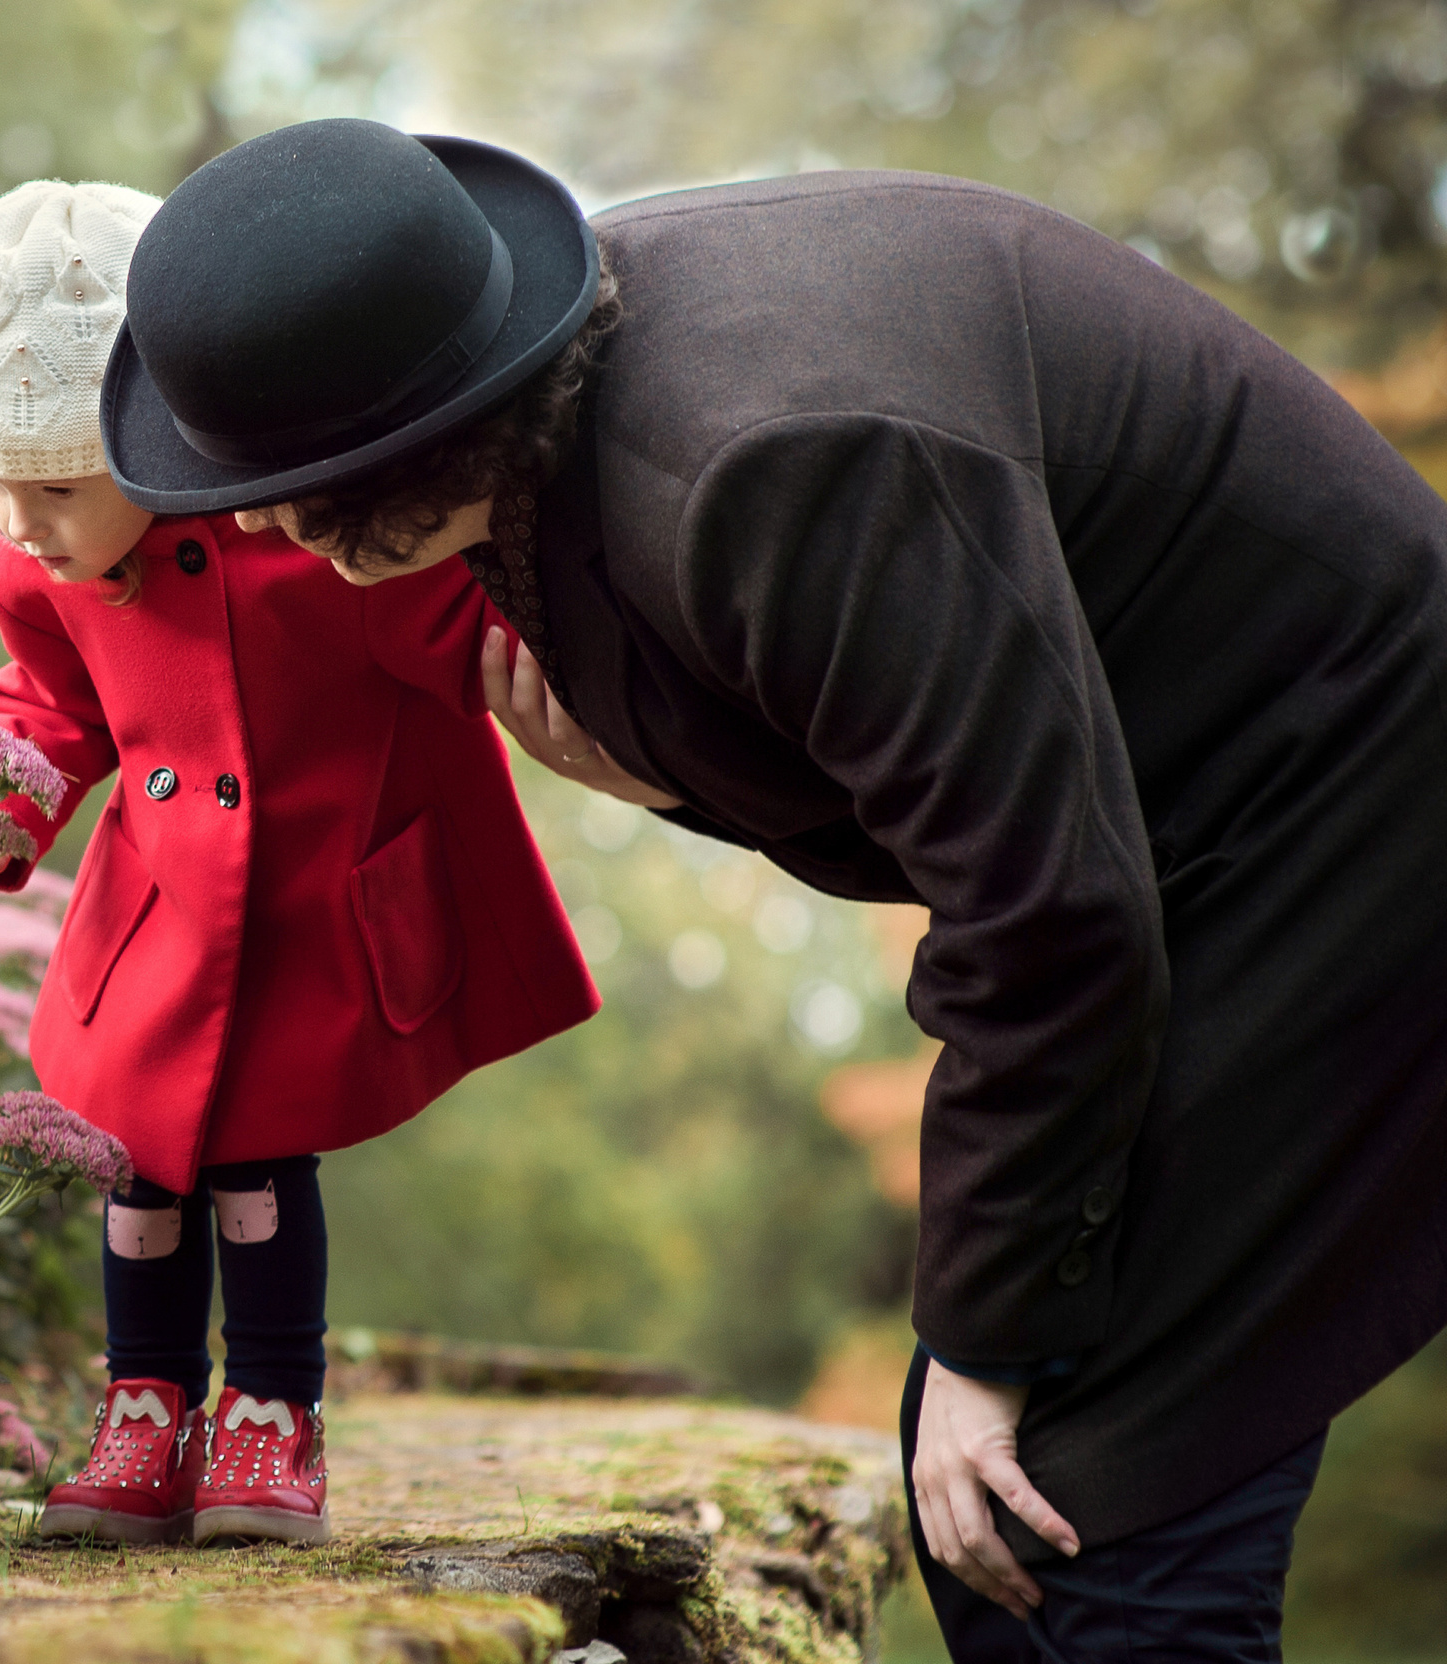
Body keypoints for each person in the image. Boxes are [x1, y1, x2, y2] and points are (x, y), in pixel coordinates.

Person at [97, 118, 1447, 1651]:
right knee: (999, 1508)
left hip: (1356, 820)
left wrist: (996, 1345)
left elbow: (1041, 909)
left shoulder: (775, 458)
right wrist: (670, 777)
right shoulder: (551, 404)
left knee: (1089, 1517)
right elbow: (948, 783)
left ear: (420, 437)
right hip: (1165, 831)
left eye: (283, 481)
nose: (249, 521)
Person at [0, 179, 597, 1546]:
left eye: (52, 484)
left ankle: (273, 1416)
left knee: (261, 1167)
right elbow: (53, 700)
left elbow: (459, 624)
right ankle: (143, 1411)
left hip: (309, 901)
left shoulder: (306, 536)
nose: (20, 519)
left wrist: (581, 683)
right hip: (158, 908)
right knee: (134, 1170)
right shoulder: (30, 561)